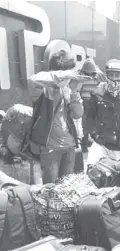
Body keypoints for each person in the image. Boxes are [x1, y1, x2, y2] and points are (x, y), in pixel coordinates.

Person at [28, 50, 90, 184]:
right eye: (68, 73)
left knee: (67, 189)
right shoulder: (43, 89)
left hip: (69, 146)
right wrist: (63, 75)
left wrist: (75, 91)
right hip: (51, 148)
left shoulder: (67, 89)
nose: (69, 78)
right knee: (51, 190)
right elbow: (32, 79)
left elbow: (78, 114)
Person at [86, 59, 120, 166]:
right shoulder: (97, 94)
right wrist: (95, 135)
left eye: (117, 75)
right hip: (102, 143)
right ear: (106, 75)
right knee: (94, 171)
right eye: (111, 75)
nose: (114, 78)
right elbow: (89, 117)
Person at [78, 58, 107, 152]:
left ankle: (97, 144)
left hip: (95, 104)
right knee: (85, 126)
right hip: (85, 104)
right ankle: (84, 145)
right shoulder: (80, 77)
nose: (89, 75)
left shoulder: (99, 76)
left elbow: (105, 85)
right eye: (87, 73)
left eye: (91, 73)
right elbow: (77, 90)